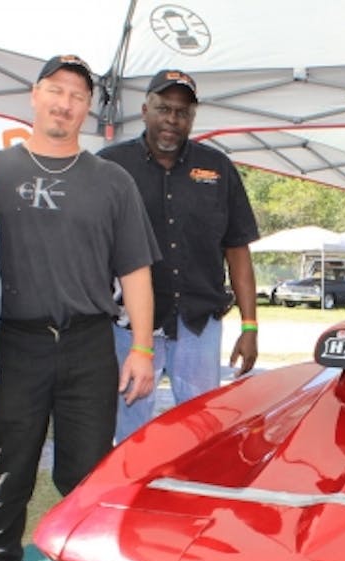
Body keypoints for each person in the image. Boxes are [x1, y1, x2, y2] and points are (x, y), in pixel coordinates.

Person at [0, 55, 159, 561]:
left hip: (88, 344)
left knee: (86, 472)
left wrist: (141, 348)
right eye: (56, 90)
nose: (65, 103)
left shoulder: (111, 181)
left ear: (87, 109)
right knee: (8, 469)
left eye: (77, 95)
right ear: (34, 96)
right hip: (14, 343)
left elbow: (136, 272)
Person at [97, 69, 260, 442]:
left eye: (182, 112)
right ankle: (130, 497)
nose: (172, 119)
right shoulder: (109, 166)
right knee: (128, 434)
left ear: (193, 118)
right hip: (129, 328)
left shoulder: (218, 169)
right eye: (163, 108)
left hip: (198, 326)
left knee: (202, 434)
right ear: (144, 110)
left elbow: (238, 250)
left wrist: (249, 326)